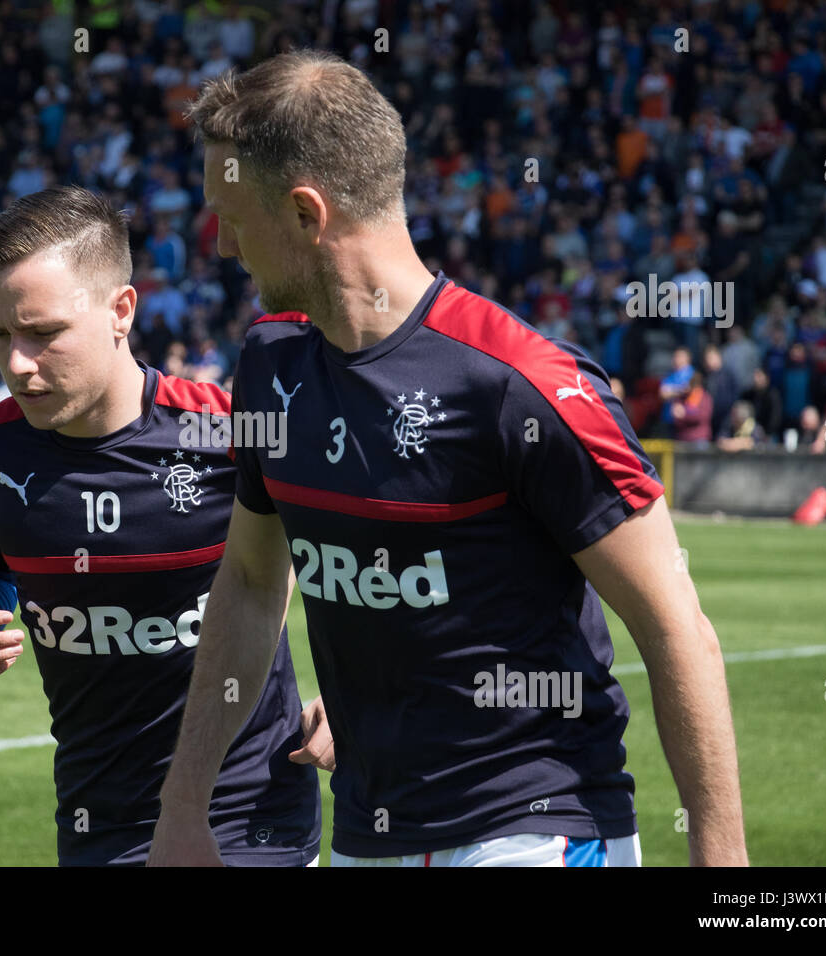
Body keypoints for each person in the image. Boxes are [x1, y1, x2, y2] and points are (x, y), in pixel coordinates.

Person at [150, 51, 747, 868]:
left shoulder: (523, 385)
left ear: (303, 212)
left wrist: (725, 872)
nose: (220, 244)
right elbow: (253, 584)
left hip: (537, 829)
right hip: (368, 833)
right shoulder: (269, 365)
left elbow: (675, 627)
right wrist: (184, 808)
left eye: (231, 214)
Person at [0, 186, 324, 866]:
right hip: (96, 818)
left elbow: (356, 556)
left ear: (121, 311)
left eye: (43, 333)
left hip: (248, 813)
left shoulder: (229, 435)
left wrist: (351, 699)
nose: (17, 363)